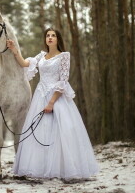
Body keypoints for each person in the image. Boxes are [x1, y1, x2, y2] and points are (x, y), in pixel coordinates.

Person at [6, 28, 99, 180]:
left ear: (58, 39)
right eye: (48, 35)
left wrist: (51, 103)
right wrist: (14, 50)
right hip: (40, 95)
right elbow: (24, 63)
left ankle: (64, 170)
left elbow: (63, 81)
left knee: (62, 132)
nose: (50, 38)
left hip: (56, 98)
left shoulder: (64, 57)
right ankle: (41, 169)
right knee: (40, 132)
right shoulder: (41, 56)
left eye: (53, 35)